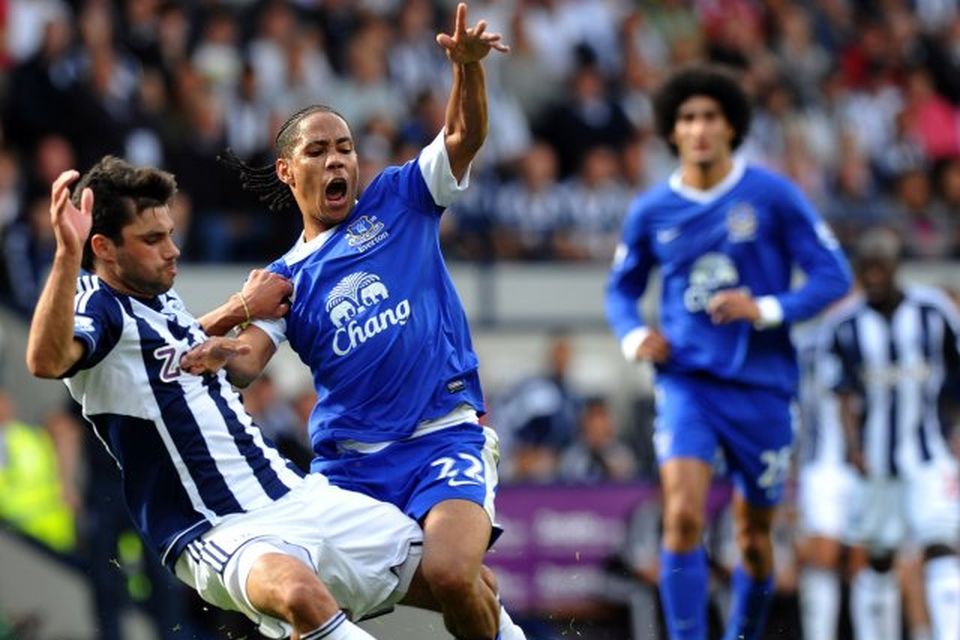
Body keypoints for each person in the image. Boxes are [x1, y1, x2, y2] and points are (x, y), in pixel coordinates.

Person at [24, 156, 497, 640]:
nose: (173, 250)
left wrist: (234, 312)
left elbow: (174, 348)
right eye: (152, 240)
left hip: (295, 496)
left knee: (465, 581)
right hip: (216, 526)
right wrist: (66, 254)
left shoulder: (159, 301)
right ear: (101, 247)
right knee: (299, 595)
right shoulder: (96, 306)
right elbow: (46, 360)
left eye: (169, 233)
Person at [186, 5, 524, 640]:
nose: (337, 160)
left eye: (344, 147)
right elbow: (249, 360)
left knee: (453, 574)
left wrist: (468, 73)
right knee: (305, 596)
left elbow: (463, 137)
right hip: (348, 471)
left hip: (440, 438)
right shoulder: (285, 277)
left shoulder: (401, 199)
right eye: (318, 151)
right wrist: (218, 343)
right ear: (288, 171)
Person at [604, 65, 852, 640]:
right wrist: (634, 335)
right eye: (687, 118)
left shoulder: (772, 194)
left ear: (731, 126)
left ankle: (745, 631)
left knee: (753, 538)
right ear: (671, 130)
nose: (698, 129)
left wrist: (765, 307)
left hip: (762, 385)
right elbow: (621, 287)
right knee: (683, 515)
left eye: (710, 117)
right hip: (686, 381)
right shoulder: (651, 209)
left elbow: (832, 274)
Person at [816, 226, 960, 640]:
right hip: (875, 461)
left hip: (929, 452)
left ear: (897, 266)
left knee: (941, 545)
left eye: (881, 266)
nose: (875, 275)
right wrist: (853, 448)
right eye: (867, 268)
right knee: (878, 557)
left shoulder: (933, 312)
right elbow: (840, 392)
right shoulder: (844, 325)